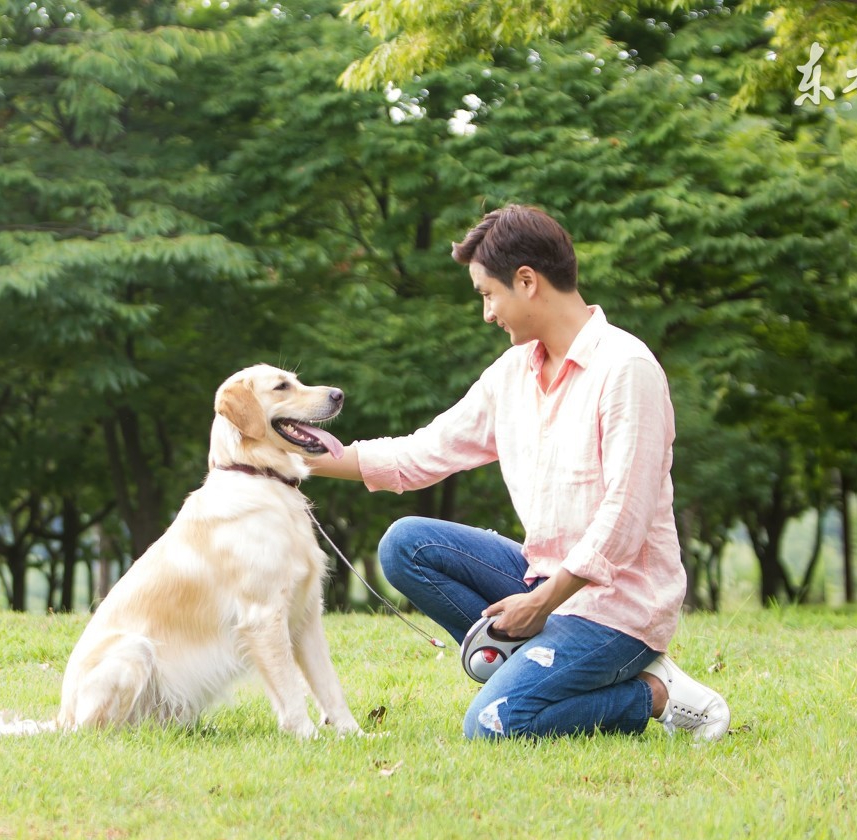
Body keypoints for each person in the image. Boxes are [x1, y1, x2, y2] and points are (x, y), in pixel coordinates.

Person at [310, 204, 730, 741]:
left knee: (492, 725)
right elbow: (422, 454)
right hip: (542, 579)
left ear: (527, 281)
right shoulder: (513, 373)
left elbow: (624, 521)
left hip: (617, 609)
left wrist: (541, 604)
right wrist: (297, 456)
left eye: (489, 294)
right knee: (405, 544)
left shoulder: (627, 370)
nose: (487, 313)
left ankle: (655, 693)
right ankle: (537, 667)